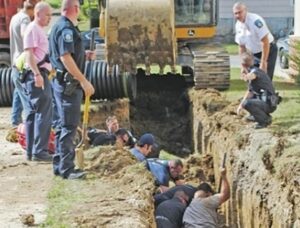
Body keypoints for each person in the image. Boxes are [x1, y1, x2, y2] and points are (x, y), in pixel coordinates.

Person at [49, 0, 95, 179]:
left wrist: (84, 55)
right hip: (68, 86)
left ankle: (59, 165)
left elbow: (69, 54)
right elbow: (65, 57)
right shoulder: (66, 29)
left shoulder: (58, 26)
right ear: (75, 9)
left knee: (62, 125)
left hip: (62, 83)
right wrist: (84, 81)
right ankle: (67, 170)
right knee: (68, 126)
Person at [23, 1, 53, 161]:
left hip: (39, 72)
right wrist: (37, 74)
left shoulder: (38, 29)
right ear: (38, 13)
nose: (49, 18)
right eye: (47, 15)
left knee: (34, 113)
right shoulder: (33, 29)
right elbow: (29, 54)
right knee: (43, 111)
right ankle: (39, 151)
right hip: (36, 74)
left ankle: (32, 150)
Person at [6, 0, 39, 142]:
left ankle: (15, 124)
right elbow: (26, 35)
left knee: (18, 95)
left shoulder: (15, 17)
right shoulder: (25, 19)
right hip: (23, 64)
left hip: (15, 63)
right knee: (27, 99)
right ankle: (29, 132)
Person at [233, 2, 277, 80]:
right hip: (254, 53)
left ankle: (268, 92)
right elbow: (241, 46)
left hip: (267, 50)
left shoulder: (255, 21)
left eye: (240, 12)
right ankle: (253, 92)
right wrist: (242, 65)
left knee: (264, 79)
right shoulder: (238, 25)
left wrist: (263, 62)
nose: (238, 15)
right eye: (235, 13)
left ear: (245, 10)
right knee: (253, 79)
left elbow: (265, 41)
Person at [237, 52, 279, 129]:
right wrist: (240, 105)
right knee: (243, 100)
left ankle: (265, 121)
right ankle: (258, 116)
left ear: (242, 65)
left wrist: (245, 76)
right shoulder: (254, 70)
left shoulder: (255, 71)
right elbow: (250, 92)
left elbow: (253, 75)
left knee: (247, 103)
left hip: (269, 104)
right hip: (265, 102)